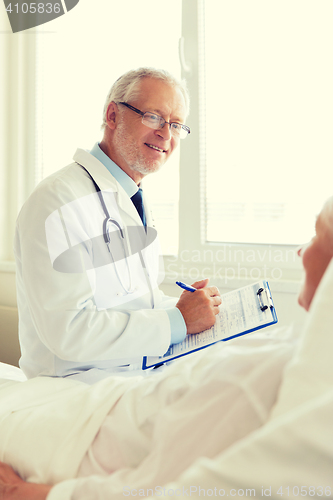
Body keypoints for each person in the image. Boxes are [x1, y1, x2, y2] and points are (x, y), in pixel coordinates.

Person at [1, 196, 333, 500]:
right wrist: (180, 316)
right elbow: (72, 330)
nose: (301, 251)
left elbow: (155, 487)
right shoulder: (296, 352)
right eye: (156, 123)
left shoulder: (254, 380)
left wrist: (27, 493)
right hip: (89, 400)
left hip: (81, 429)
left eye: (316, 237)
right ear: (112, 124)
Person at [14, 67, 221, 383]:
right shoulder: (58, 200)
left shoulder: (131, 196)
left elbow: (133, 302)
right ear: (113, 115)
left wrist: (192, 309)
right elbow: (69, 332)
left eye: (176, 124)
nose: (166, 134)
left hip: (131, 378)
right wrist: (178, 321)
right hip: (74, 392)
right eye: (153, 117)